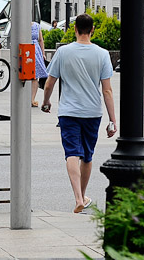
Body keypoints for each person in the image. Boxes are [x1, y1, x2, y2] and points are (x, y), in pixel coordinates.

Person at [41, 14, 118, 213]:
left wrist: (46, 101)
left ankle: (78, 197)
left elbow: (50, 83)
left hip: (68, 112)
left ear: (75, 29)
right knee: (87, 155)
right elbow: (107, 90)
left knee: (72, 153)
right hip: (92, 112)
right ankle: (82, 195)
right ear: (92, 30)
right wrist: (112, 120)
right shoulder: (102, 54)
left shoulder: (63, 52)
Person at [30, 20, 48, 107]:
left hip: (36, 51)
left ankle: (32, 99)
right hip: (26, 50)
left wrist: (43, 53)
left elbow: (41, 40)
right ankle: (26, 98)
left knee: (35, 76)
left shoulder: (37, 26)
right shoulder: (21, 25)